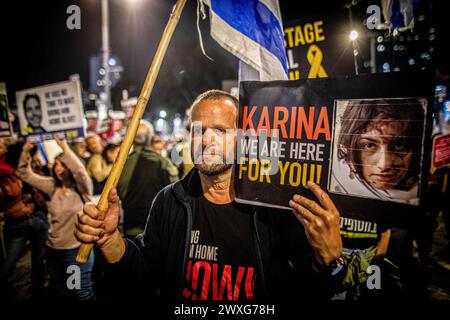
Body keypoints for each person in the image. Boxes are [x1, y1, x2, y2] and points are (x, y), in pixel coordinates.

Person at [75, 90, 344, 300]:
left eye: (220, 130)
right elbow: (144, 277)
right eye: (198, 130)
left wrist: (328, 262)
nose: (206, 140)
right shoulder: (169, 201)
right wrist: (110, 240)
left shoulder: (275, 206)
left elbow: (303, 293)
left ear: (242, 138)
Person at [16, 136, 95, 300]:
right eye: (57, 164)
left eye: (63, 164)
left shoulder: (82, 188)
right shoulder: (52, 187)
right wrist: (25, 151)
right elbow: (24, 173)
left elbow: (81, 172)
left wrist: (64, 148)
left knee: (80, 293)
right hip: (53, 251)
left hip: (76, 252)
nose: (59, 169)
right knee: (64, 292)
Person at [330, 98, 425, 205]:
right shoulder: (333, 179)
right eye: (369, 145)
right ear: (350, 147)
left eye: (399, 145)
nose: (384, 165)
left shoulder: (425, 192)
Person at [0, 139, 48, 299]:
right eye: (26, 153)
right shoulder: (6, 174)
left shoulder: (32, 170)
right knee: (10, 262)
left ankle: (38, 292)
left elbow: (44, 191)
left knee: (39, 260)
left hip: (38, 219)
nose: (28, 157)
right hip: (17, 222)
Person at [117, 120, 179, 238]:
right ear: (151, 138)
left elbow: (120, 190)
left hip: (131, 226)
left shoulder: (122, 163)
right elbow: (175, 191)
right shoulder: (162, 162)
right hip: (157, 227)